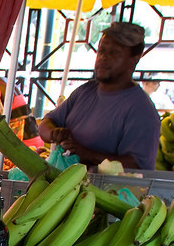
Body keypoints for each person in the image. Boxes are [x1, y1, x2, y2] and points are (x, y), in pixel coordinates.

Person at [38, 22, 161, 171]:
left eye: (114, 53)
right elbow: (46, 123)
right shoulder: (85, 91)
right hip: (61, 184)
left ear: (135, 58)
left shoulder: (141, 111)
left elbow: (137, 167)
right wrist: (53, 133)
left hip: (100, 191)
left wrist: (87, 154)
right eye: (101, 50)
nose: (103, 57)